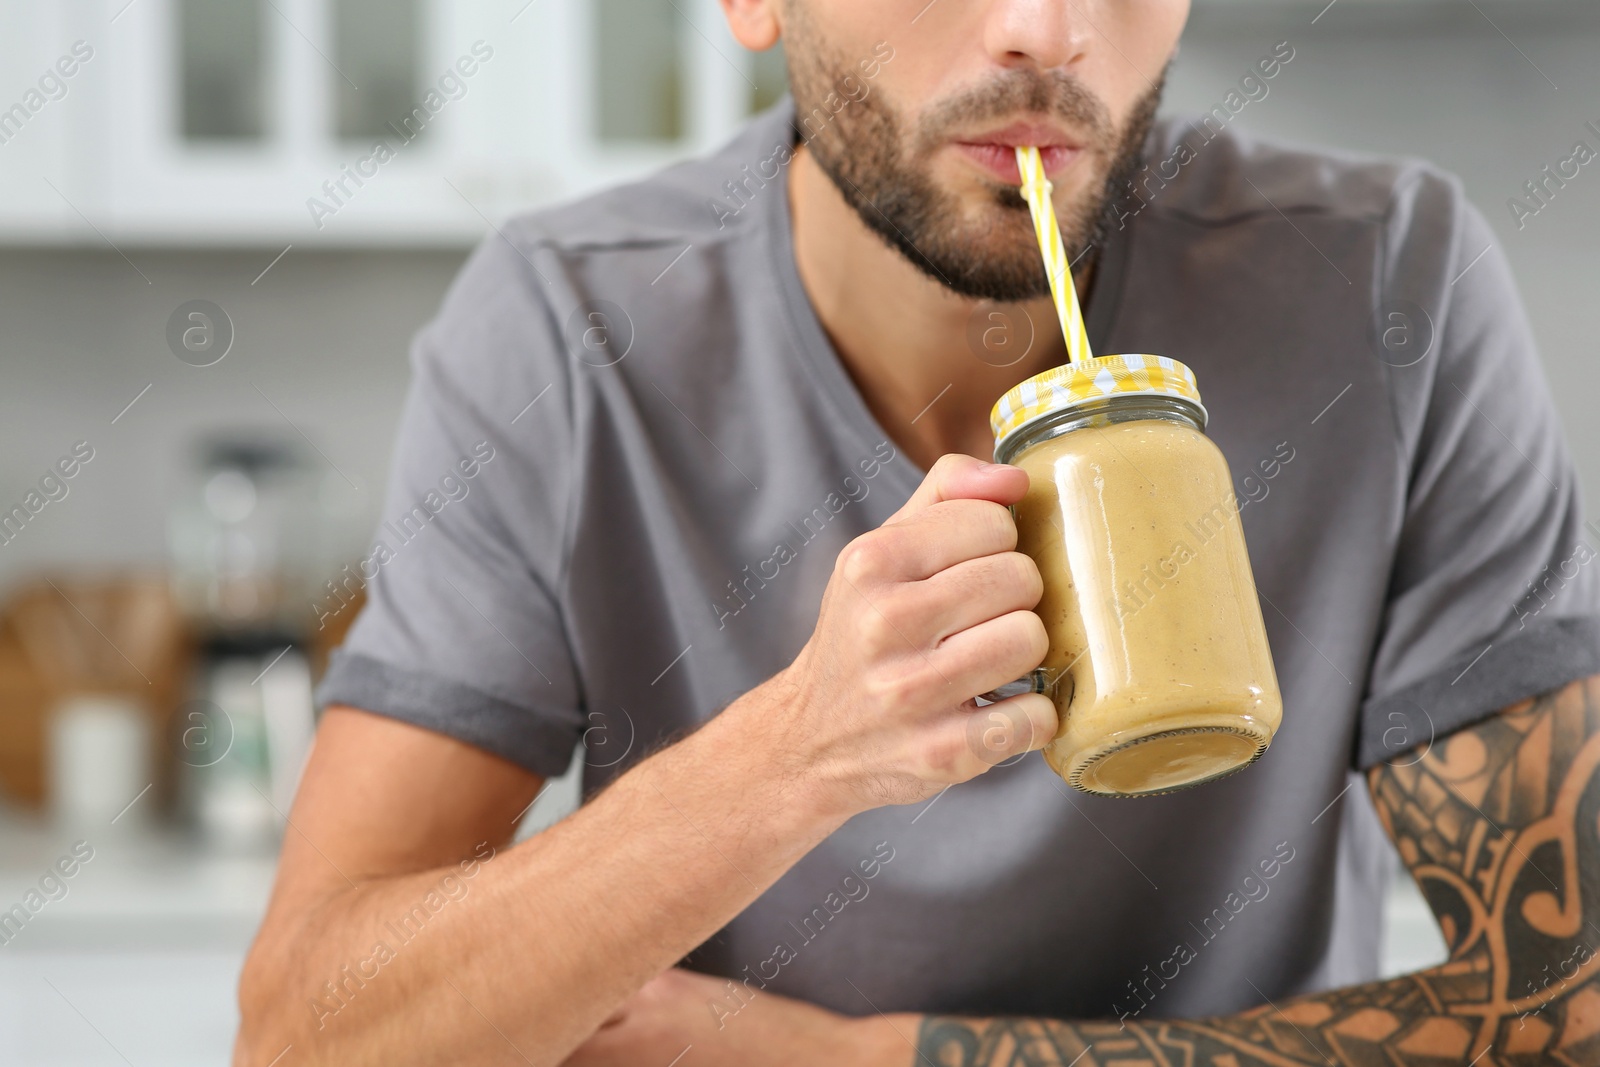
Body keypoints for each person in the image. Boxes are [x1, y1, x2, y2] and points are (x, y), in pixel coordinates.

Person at [235, 1, 1600, 1064]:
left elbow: (1575, 1007)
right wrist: (794, 758)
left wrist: (877, 1062)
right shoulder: (563, 333)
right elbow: (305, 1041)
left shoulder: (1384, 288)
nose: (1045, 31)